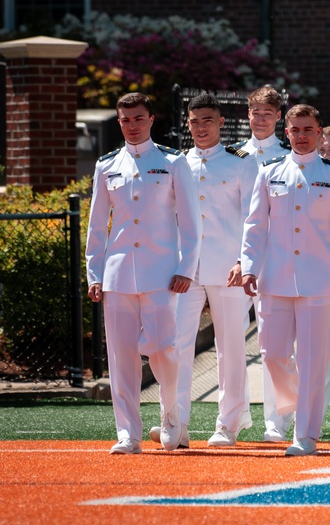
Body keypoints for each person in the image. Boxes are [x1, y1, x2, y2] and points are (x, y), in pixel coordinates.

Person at [240, 104, 330, 456]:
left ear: (319, 132)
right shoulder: (268, 173)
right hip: (273, 279)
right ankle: (297, 402)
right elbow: (255, 226)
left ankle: (306, 433)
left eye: (307, 129)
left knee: (313, 359)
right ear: (287, 132)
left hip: (316, 281)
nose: (300, 135)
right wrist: (249, 266)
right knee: (272, 355)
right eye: (295, 129)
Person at [86, 92, 201, 454]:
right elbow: (96, 228)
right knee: (121, 357)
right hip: (118, 275)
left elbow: (191, 224)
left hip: (162, 274)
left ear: (151, 120)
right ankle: (128, 434)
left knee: (163, 350)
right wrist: (95, 273)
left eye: (138, 118)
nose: (131, 126)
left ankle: (171, 418)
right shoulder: (106, 166)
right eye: (124, 120)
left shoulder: (172, 161)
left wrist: (186, 268)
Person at [173, 93, 258, 448]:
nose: (200, 127)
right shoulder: (177, 163)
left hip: (228, 268)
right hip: (184, 269)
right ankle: (174, 422)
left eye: (207, 120)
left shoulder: (241, 161)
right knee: (175, 345)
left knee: (231, 348)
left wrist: (245, 261)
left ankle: (228, 423)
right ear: (187, 124)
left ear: (221, 123)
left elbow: (254, 217)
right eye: (194, 121)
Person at [233, 86, 293, 442]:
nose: (260, 119)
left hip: (274, 260)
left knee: (275, 346)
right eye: (255, 112)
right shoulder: (233, 154)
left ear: (278, 117)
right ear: (248, 114)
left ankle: (279, 420)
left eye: (268, 113)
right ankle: (234, 418)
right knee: (231, 346)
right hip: (233, 260)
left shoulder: (287, 155)